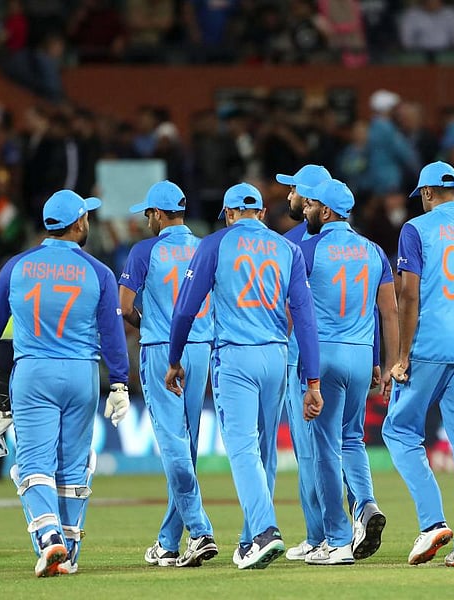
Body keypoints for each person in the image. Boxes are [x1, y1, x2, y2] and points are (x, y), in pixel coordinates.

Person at [0, 189, 130, 577]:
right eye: (86, 217)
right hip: (81, 375)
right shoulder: (99, 272)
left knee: (34, 463)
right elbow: (112, 333)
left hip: (34, 373)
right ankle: (69, 552)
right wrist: (120, 382)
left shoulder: (17, 266)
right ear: (78, 223)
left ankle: (48, 536)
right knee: (73, 466)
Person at [164, 182, 323, 570]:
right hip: (277, 356)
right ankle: (251, 539)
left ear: (229, 215)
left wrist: (174, 358)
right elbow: (305, 317)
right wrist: (313, 380)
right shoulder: (287, 248)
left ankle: (265, 531)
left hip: (235, 356)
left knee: (242, 448)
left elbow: (185, 309)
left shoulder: (215, 244)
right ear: (262, 214)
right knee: (265, 451)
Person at [383, 161, 454, 568]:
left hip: (429, 348)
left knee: (399, 430)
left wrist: (401, 355)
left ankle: (433, 521)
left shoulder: (416, 229)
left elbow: (409, 296)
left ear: (428, 193)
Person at [296, 178, 398, 565]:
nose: (306, 210)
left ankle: (337, 540)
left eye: (310, 206)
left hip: (323, 353)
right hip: (360, 357)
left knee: (323, 448)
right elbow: (388, 311)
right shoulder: (374, 252)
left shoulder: (307, 249)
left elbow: (294, 310)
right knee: (352, 439)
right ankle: (366, 503)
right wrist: (387, 363)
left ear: (325, 211)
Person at [119, 180, 217, 568]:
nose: (148, 221)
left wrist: (145, 322)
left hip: (162, 349)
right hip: (201, 347)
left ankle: (200, 530)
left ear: (158, 214)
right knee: (186, 446)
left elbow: (125, 306)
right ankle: (168, 542)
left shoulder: (144, 251)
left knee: (174, 445)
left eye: (148, 214)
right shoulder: (206, 247)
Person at [274, 163, 332, 561]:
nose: (288, 196)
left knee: (310, 454)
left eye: (293, 189)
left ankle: (320, 535)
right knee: (345, 446)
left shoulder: (289, 246)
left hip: (303, 361)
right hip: (351, 353)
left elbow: (286, 310)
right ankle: (358, 516)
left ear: (309, 197)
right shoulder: (359, 245)